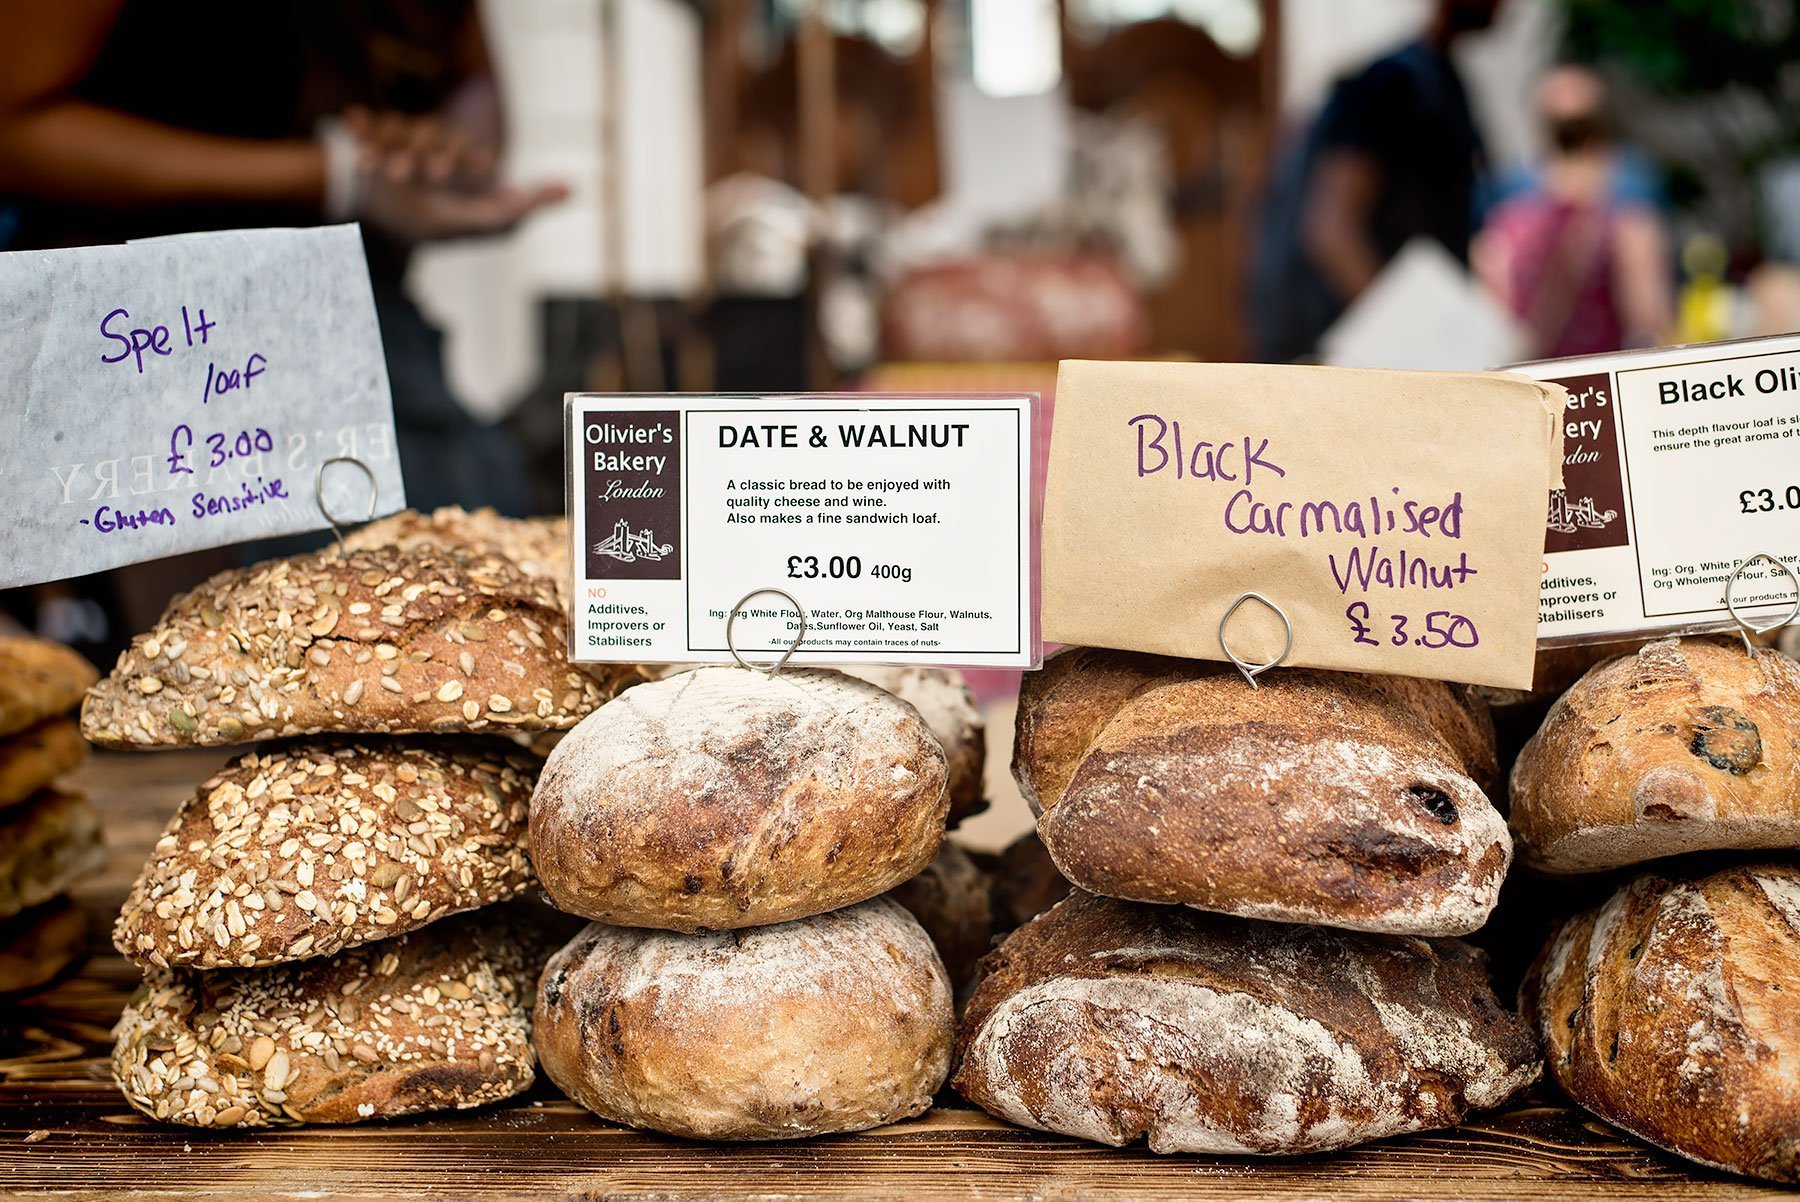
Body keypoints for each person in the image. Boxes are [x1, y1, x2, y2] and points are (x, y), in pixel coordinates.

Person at [0, 1, 562, 517]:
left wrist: (441, 159)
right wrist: (336, 175)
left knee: (468, 504)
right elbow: (15, 126)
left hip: (353, 312)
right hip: (134, 316)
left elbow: (472, 79)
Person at [1250, 0, 1501, 363]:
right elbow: (1331, 231)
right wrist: (1412, 340)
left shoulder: (1443, 83)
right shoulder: (1390, 86)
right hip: (1364, 355)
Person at [1474, 66, 1674, 358]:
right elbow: (1649, 309)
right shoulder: (1631, 184)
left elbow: (1493, 288)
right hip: (1603, 360)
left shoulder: (1516, 188)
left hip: (1538, 358)